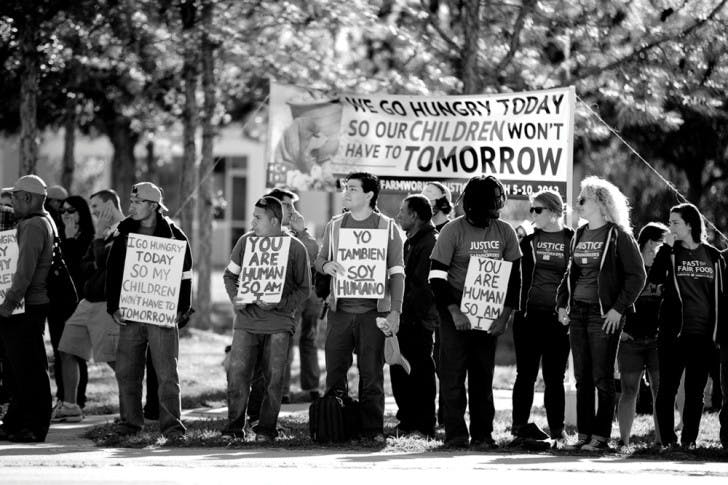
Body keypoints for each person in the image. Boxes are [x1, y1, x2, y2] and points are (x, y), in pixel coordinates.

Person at [429, 175, 522, 449]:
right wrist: (455, 311)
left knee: (483, 377)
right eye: (482, 214)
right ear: (469, 208)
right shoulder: (451, 231)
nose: (487, 219)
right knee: (453, 374)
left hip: (489, 313)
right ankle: (456, 435)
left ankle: (483, 435)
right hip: (454, 311)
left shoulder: (505, 231)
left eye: (492, 213)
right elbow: (435, 276)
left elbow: (515, 277)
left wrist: (505, 316)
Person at [556, 176, 645, 451]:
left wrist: (618, 309)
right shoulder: (579, 235)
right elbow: (571, 274)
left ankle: (601, 437)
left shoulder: (618, 235)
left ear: (600, 202)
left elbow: (637, 276)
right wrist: (562, 305)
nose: (578, 204)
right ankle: (584, 435)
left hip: (603, 314)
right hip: (578, 312)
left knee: (602, 377)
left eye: (583, 199)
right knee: (582, 377)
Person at [315, 172, 405, 443]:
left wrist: (396, 310)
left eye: (353, 188)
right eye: (346, 187)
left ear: (369, 195)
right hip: (340, 313)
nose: (347, 192)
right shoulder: (335, 225)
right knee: (335, 373)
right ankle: (335, 427)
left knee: (372, 374)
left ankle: (372, 430)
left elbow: (397, 272)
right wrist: (325, 266)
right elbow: (320, 260)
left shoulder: (388, 227)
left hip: (373, 315)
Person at [106, 182, 192, 439]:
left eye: (137, 202)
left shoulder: (175, 236)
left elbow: (186, 276)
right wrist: (113, 306)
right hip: (130, 315)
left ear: (153, 205)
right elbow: (113, 272)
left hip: (162, 316)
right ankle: (130, 423)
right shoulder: (124, 234)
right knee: (127, 371)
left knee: (167, 373)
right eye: (131, 201)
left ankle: (172, 427)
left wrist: (182, 308)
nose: (130, 207)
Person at [221, 196, 311, 441]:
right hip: (246, 323)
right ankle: (234, 429)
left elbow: (304, 289)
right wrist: (235, 297)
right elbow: (229, 275)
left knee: (274, 381)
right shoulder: (245, 242)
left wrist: (280, 304)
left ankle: (266, 430)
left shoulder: (295, 248)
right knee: (238, 377)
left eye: (258, 218)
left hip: (279, 325)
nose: (252, 222)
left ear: (274, 221)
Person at [651, 203, 725, 449]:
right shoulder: (670, 252)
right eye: (670, 222)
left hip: (704, 334)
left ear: (690, 225)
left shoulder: (713, 256)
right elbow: (654, 278)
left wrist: (718, 333)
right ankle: (668, 441)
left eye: (675, 223)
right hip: (674, 332)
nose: (669, 227)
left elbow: (721, 295)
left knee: (695, 392)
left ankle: (689, 440)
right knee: (667, 389)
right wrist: (666, 249)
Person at [51, 190, 124, 423]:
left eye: (96, 206)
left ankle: (131, 409)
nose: (92, 212)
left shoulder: (124, 229)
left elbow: (106, 264)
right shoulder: (101, 234)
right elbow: (85, 267)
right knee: (66, 349)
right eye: (91, 207)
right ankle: (71, 406)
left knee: (112, 359)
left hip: (106, 303)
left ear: (110, 205)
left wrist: (100, 240)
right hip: (88, 300)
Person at [511, 190, 573, 445]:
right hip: (528, 317)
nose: (532, 214)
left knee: (554, 377)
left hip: (559, 319)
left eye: (538, 210)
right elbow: (515, 277)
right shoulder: (527, 242)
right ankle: (518, 427)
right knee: (525, 375)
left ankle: (558, 431)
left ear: (554, 212)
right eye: (531, 210)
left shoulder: (574, 240)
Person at [0, 175, 54, 443]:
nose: (12, 202)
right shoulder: (40, 221)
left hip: (25, 307)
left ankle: (35, 425)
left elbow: (24, 273)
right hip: (27, 306)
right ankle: (16, 422)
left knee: (29, 370)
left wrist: (7, 305)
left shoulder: (33, 225)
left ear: (29, 198)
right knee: (18, 369)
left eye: (16, 197)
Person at [616, 222, 668, 447]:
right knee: (628, 390)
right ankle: (624, 441)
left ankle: (660, 441)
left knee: (661, 391)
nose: (667, 247)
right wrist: (621, 331)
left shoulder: (666, 267)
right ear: (651, 242)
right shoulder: (630, 266)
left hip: (658, 341)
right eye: (663, 242)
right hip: (631, 340)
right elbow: (616, 298)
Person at [392, 194, 438, 438]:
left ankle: (424, 425)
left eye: (403, 211)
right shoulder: (410, 240)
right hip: (404, 319)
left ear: (416, 215)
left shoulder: (430, 242)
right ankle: (407, 422)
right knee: (400, 370)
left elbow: (421, 287)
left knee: (420, 372)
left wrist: (402, 310)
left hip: (418, 321)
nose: (398, 215)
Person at [47, 195, 94, 410]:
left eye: (71, 210)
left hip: (78, 303)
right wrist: (65, 237)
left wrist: (70, 238)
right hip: (56, 302)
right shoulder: (58, 235)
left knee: (75, 352)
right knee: (59, 351)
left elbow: (77, 269)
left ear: (81, 213)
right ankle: (63, 397)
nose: (65, 214)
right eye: (62, 211)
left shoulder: (90, 238)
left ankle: (77, 400)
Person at [421, 181, 453, 426]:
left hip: (444, 306)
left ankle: (447, 416)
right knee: (425, 361)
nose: (425, 199)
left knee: (445, 362)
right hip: (422, 307)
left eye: (430, 196)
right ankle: (425, 415)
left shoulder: (453, 229)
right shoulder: (419, 231)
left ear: (443, 200)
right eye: (423, 196)